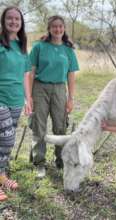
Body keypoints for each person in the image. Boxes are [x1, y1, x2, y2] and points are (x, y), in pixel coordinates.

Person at [29, 15, 79, 178]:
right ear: (49, 29)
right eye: (54, 26)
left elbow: (71, 75)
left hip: (59, 89)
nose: (57, 29)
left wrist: (71, 98)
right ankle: (39, 163)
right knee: (39, 125)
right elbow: (31, 72)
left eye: (60, 26)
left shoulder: (68, 50)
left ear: (64, 29)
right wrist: (28, 96)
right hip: (39, 88)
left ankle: (61, 159)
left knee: (60, 126)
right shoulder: (39, 47)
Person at [0, 6, 32, 201]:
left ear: (21, 23)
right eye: (10, 18)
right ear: (3, 21)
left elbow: (25, 74)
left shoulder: (21, 45)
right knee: (8, 138)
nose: (13, 21)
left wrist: (28, 99)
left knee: (4, 142)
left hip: (15, 99)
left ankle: (2, 175)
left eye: (17, 19)